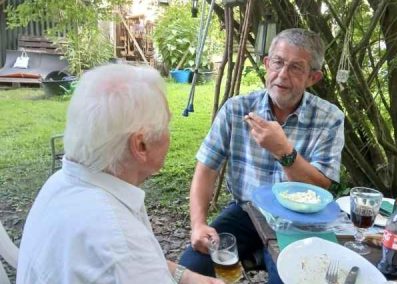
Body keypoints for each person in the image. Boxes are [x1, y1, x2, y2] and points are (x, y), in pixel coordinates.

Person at [16, 64, 223, 284]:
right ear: (140, 146)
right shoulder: (119, 243)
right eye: (166, 125)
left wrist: (188, 277)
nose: (169, 135)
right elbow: (126, 260)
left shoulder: (63, 183)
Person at [179, 28, 345, 283]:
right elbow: (206, 169)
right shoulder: (237, 109)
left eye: (296, 68)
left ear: (313, 77)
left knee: (294, 278)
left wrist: (284, 151)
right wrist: (198, 224)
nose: (282, 75)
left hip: (299, 222)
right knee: (191, 266)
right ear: (267, 63)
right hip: (247, 212)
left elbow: (325, 187)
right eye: (277, 62)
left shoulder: (329, 117)